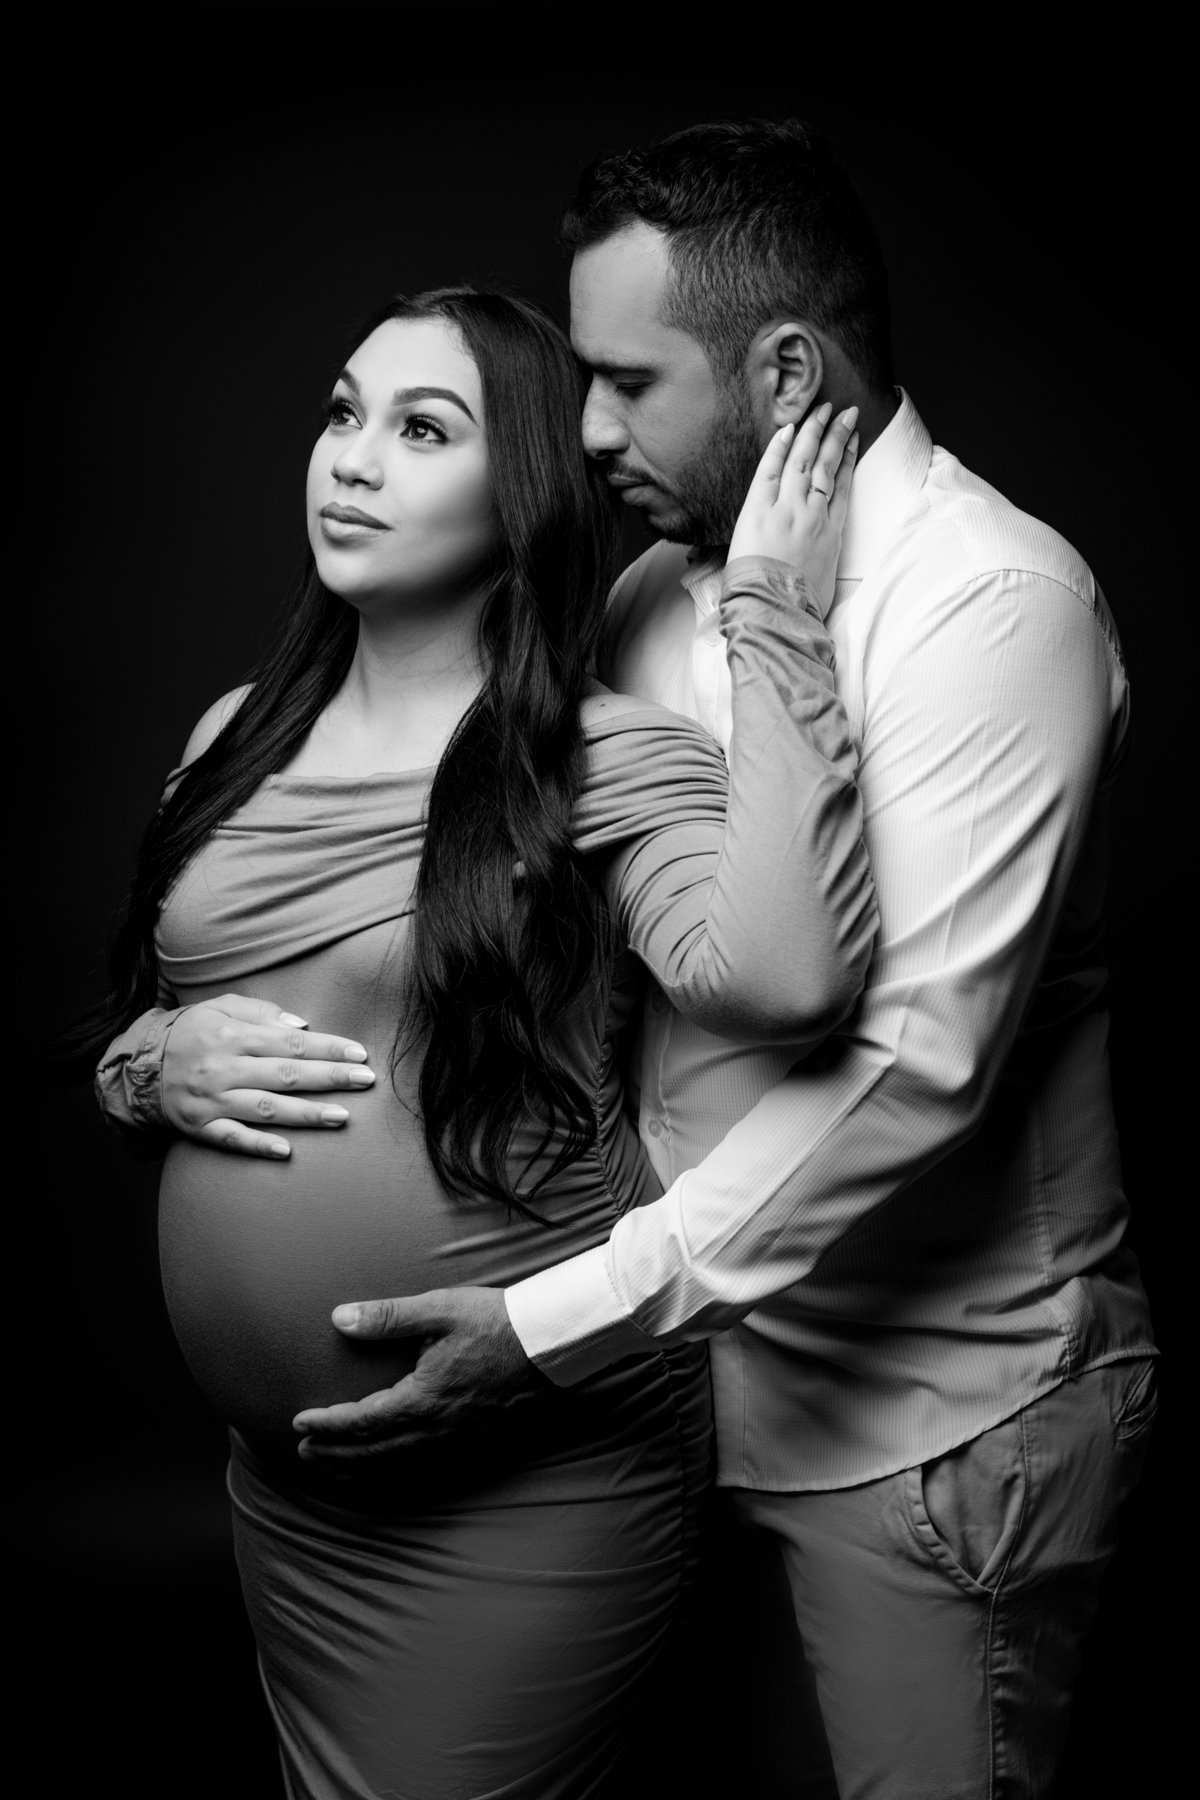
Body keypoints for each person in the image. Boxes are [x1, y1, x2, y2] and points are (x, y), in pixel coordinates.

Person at [150, 123, 1158, 1798]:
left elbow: (909, 1067)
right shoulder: (644, 595)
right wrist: (154, 1061)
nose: (589, 429)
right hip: (661, 1395)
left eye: (625, 382)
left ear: (786, 371)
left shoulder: (988, 603)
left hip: (910, 1422)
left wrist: (556, 1322)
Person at [91, 284, 872, 1797]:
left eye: (421, 429)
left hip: (534, 1470)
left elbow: (785, 981)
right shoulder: (229, 738)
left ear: (518, 491)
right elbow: (158, 1029)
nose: (351, 458)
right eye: (342, 412)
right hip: (291, 1499)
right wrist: (149, 1068)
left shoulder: (595, 754)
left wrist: (776, 608)